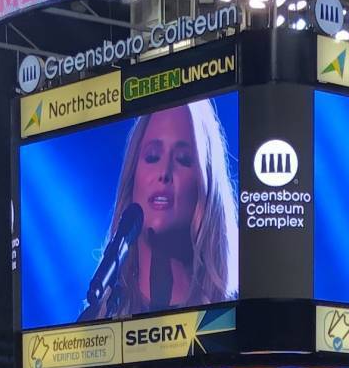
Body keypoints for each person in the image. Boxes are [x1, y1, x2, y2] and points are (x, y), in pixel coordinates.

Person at [78, 101, 240, 320]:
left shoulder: (230, 315)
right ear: (132, 179)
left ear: (205, 187)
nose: (164, 172)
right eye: (153, 156)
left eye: (183, 159)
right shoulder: (97, 319)